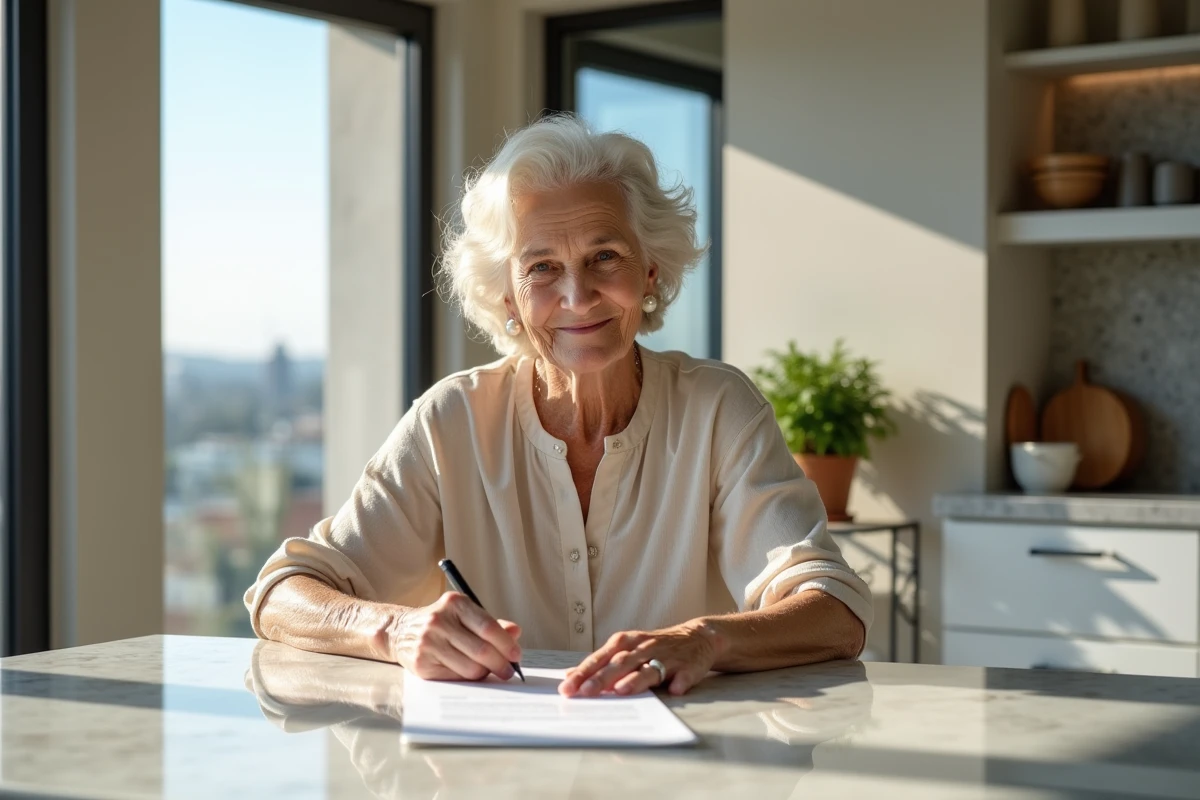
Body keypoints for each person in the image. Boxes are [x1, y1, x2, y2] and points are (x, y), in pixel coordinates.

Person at [244, 114, 872, 698]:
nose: (578, 295)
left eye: (606, 257)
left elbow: (834, 612)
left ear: (650, 270)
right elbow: (281, 593)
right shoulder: (450, 421)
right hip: (493, 763)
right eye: (542, 267)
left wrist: (702, 640)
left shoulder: (718, 409)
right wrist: (395, 630)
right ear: (508, 297)